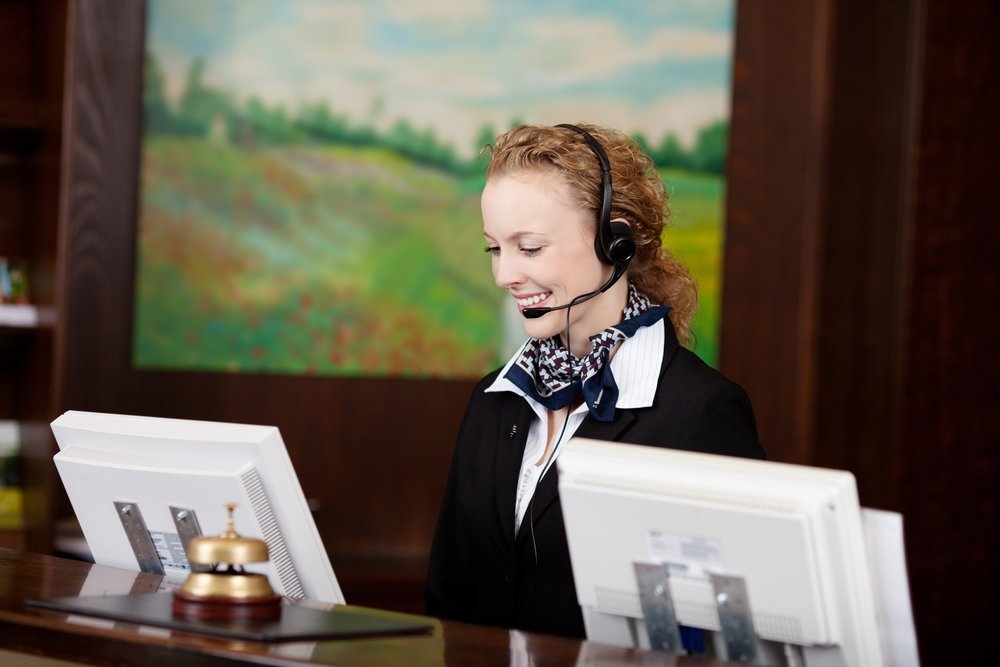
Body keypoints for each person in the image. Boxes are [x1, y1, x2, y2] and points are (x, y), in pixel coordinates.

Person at [425, 123, 763, 639]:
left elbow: (728, 633)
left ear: (616, 241)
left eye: (530, 248)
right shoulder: (492, 400)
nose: (504, 276)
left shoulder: (702, 413)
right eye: (495, 249)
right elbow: (449, 597)